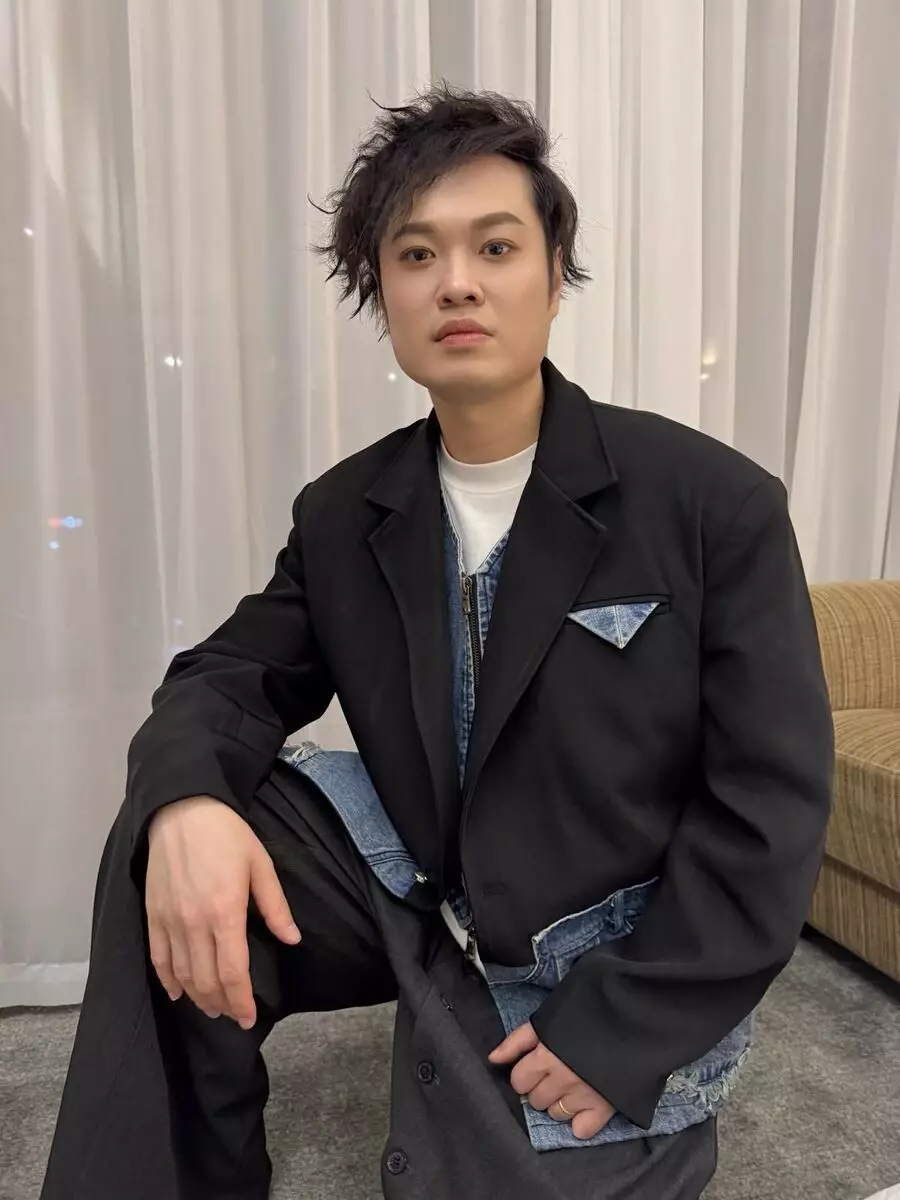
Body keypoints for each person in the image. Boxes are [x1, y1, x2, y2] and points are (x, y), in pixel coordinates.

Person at [41, 84, 834, 1200]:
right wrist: (184, 808)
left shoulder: (712, 503)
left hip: (598, 940)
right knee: (168, 825)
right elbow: (228, 675)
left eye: (495, 247)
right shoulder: (345, 511)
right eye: (416, 255)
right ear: (384, 292)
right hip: (413, 876)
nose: (456, 282)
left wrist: (623, 1030)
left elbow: (770, 803)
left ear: (553, 275)